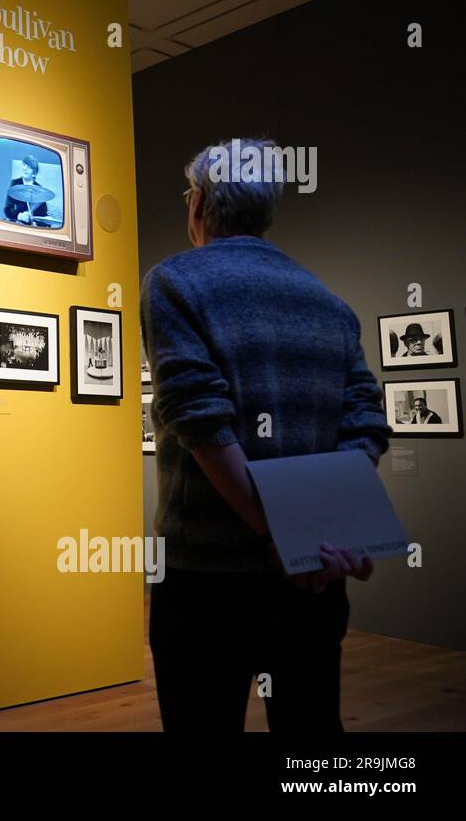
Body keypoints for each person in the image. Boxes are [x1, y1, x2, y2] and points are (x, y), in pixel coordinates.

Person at [142, 138, 391, 734]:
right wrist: (319, 532)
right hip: (311, 578)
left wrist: (283, 531)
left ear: (198, 204)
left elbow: (201, 419)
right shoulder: (326, 301)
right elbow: (365, 421)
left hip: (207, 580)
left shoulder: (174, 281)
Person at [3, 154, 50, 225]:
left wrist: (38, 224)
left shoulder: (40, 189)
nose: (25, 168)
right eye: (24, 165)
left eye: (29, 167)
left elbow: (43, 214)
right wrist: (18, 216)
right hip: (17, 224)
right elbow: (7, 209)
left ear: (34, 172)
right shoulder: (15, 183)